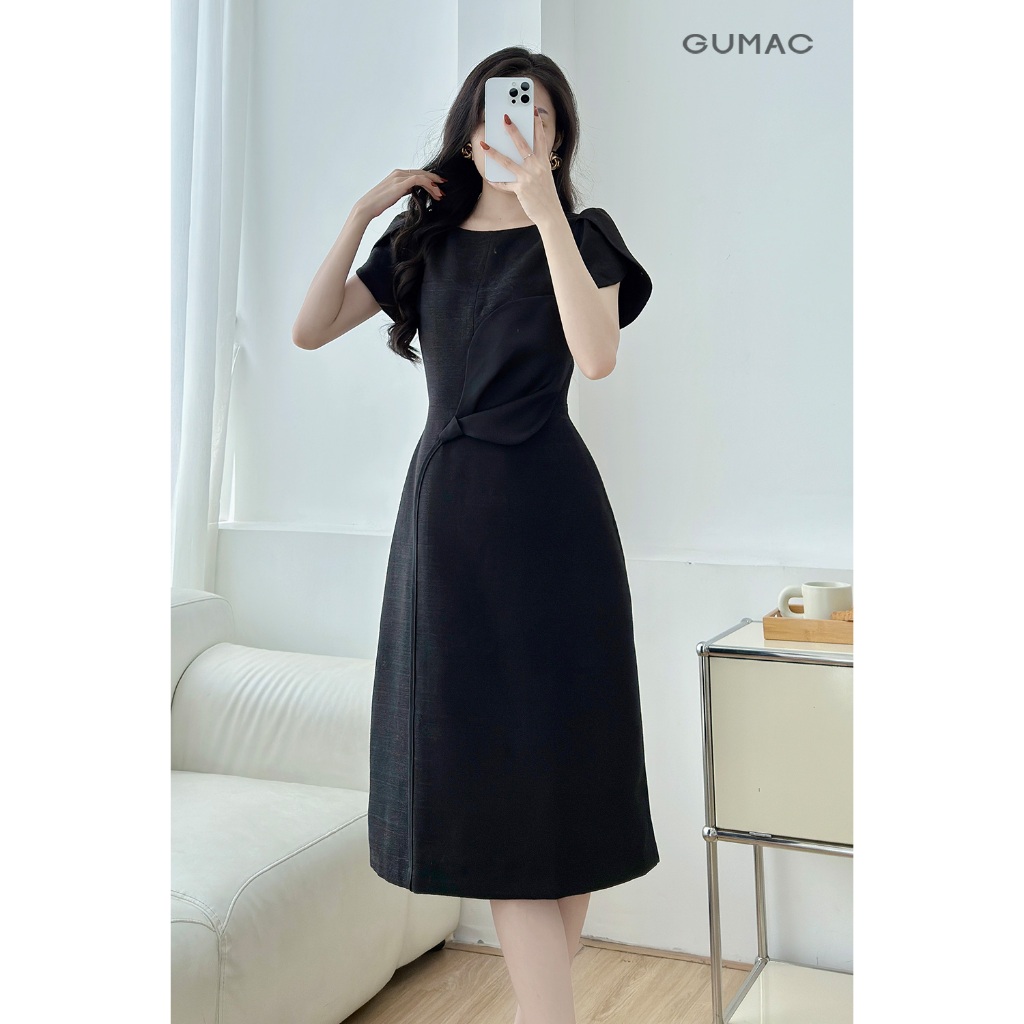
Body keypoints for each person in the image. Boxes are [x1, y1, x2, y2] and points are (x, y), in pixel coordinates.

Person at [293, 45, 658, 1024]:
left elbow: (596, 356)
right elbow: (309, 327)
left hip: (557, 526)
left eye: (539, 116)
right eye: (504, 111)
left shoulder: (585, 235)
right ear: (468, 131)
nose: (519, 129)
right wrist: (360, 214)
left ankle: (541, 996)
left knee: (568, 767)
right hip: (451, 527)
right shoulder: (425, 240)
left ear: (558, 140)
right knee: (494, 780)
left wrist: (544, 211)